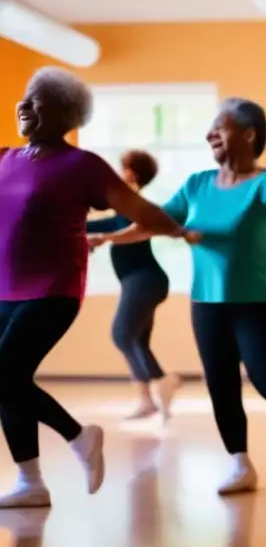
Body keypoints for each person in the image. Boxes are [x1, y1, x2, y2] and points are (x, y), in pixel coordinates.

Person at [90, 97, 266, 494]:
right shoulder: (197, 183)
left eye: (220, 126)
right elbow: (154, 221)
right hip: (206, 304)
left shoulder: (264, 182)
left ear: (248, 135)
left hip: (256, 302)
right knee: (221, 384)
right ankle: (240, 465)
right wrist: (109, 236)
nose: (209, 133)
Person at [0, 67, 188, 508]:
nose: (24, 105)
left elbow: (147, 214)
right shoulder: (6, 158)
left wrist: (177, 229)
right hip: (6, 290)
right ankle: (31, 482)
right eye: (23, 98)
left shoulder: (82, 166)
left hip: (53, 289)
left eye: (37, 99)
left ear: (65, 113)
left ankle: (79, 436)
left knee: (3, 375)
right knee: (9, 382)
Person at [86, 150, 183, 422]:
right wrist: (83, 230)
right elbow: (108, 223)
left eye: (123, 167)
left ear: (132, 173)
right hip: (141, 281)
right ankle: (147, 401)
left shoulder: (136, 204)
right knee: (137, 340)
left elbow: (118, 227)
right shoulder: (124, 205)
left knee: (121, 333)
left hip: (144, 280)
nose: (119, 172)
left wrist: (100, 236)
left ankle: (165, 380)